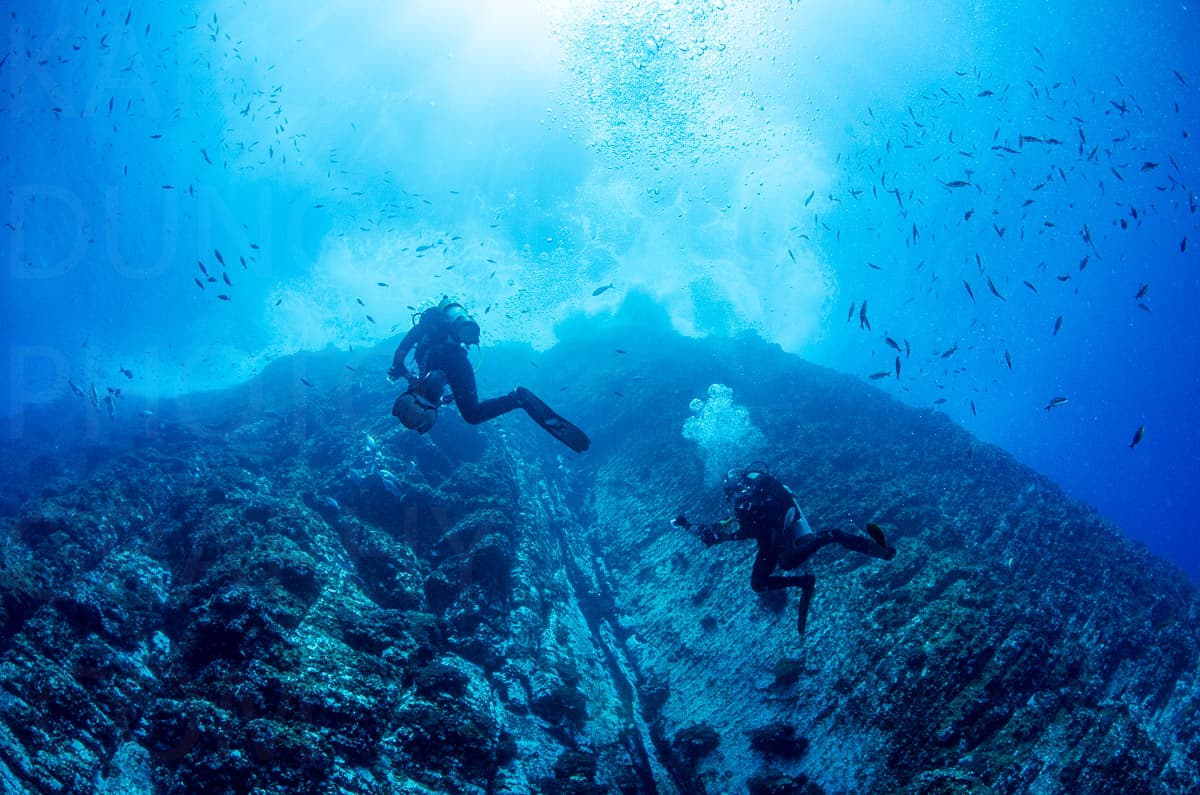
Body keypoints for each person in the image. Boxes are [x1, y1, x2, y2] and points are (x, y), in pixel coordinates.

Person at [672, 465, 896, 636]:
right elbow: (732, 527)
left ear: (732, 487)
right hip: (779, 527)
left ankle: (832, 536)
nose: (730, 498)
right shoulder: (753, 492)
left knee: (786, 563)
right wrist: (692, 527)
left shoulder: (744, 498)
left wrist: (722, 534)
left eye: (728, 493)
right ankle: (805, 582)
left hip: (775, 531)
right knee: (759, 582)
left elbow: (743, 530)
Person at [388, 297, 590, 453]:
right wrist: (401, 371)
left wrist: (404, 373)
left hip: (446, 363)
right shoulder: (430, 331)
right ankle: (519, 397)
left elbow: (403, 355)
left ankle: (517, 399)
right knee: (471, 414)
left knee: (472, 415)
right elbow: (399, 355)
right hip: (458, 362)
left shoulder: (425, 327)